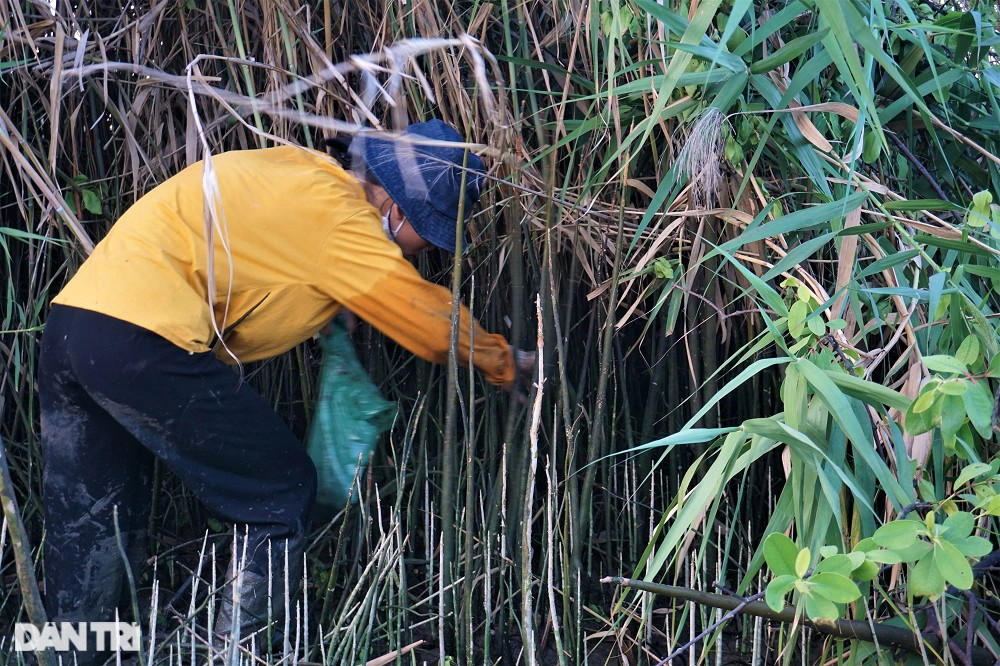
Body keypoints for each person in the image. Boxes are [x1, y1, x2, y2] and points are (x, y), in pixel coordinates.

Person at [38, 119, 534, 664]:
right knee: (277, 490)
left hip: (73, 328)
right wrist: (504, 362)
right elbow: (429, 324)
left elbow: (265, 258)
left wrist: (336, 307)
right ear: (397, 204)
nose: (424, 248)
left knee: (97, 516)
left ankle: (76, 655)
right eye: (430, 231)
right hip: (143, 340)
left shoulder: (305, 175)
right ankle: (239, 654)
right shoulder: (344, 221)